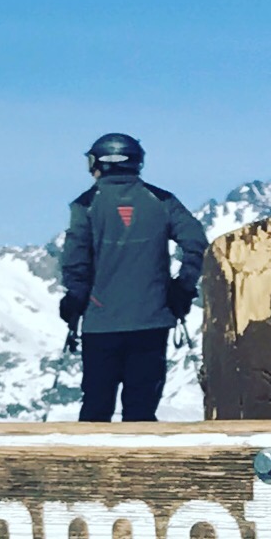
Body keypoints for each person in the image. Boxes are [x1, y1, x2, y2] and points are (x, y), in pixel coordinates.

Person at [60, 132, 208, 423]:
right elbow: (196, 243)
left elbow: (76, 260)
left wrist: (75, 299)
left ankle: (93, 454)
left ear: (99, 163)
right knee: (141, 410)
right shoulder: (163, 201)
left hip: (101, 322)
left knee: (96, 408)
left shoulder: (85, 205)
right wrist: (182, 287)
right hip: (153, 319)